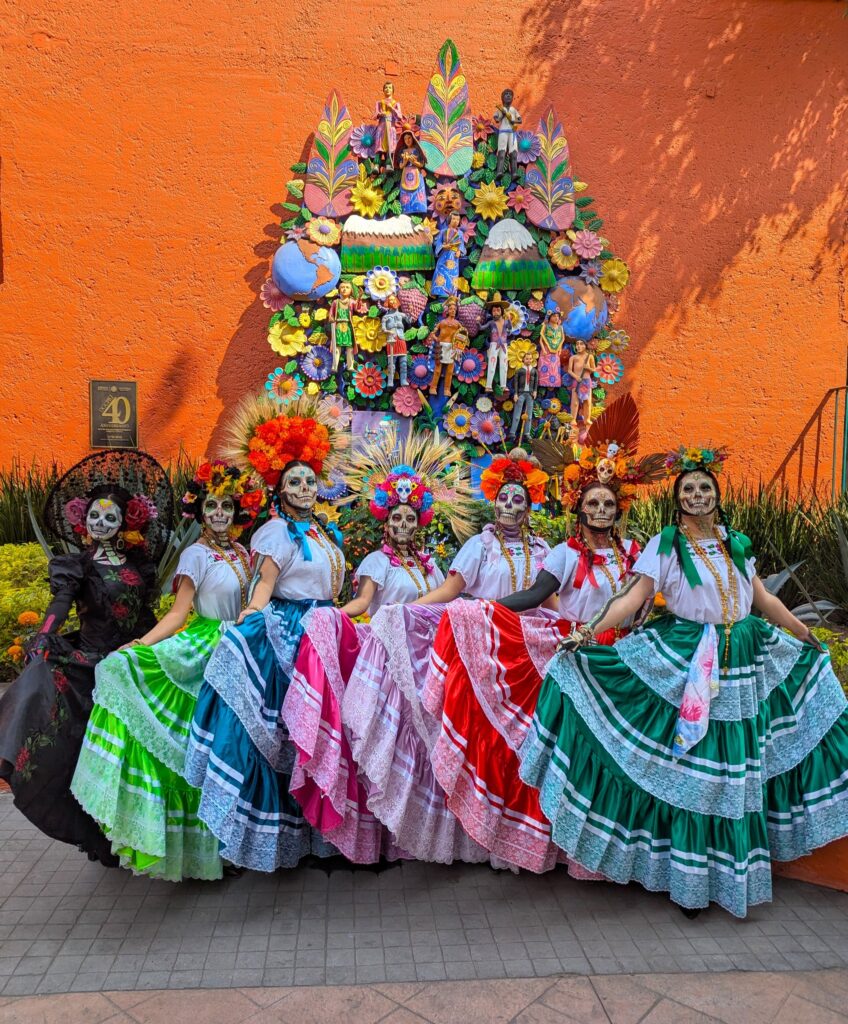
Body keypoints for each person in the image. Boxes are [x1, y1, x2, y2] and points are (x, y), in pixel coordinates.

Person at [519, 445, 848, 918]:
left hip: (743, 660)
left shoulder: (735, 541)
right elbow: (633, 598)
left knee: (734, 772)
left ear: (716, 495)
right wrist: (588, 632)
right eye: (688, 488)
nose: (697, 494)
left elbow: (763, 601)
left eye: (704, 487)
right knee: (696, 774)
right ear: (678, 500)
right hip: (689, 657)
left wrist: (805, 634)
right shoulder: (667, 544)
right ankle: (690, 885)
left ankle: (727, 878)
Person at [424, 397, 664, 872]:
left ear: (618, 509)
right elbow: (536, 595)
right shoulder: (564, 554)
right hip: (580, 656)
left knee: (622, 753)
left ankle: (615, 850)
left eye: (608, 503)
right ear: (580, 509)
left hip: (625, 660)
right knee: (579, 751)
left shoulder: (635, 551)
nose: (600, 509)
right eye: (592, 502)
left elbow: (648, 597)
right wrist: (482, 610)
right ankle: (564, 847)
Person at [338, 451, 552, 866]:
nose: (509, 506)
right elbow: (450, 595)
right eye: (503, 498)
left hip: (528, 655)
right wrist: (404, 612)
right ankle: (482, 835)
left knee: (526, 741)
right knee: (488, 739)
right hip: (485, 649)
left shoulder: (544, 550)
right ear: (493, 503)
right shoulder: (479, 545)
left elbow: (552, 600)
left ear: (529, 508)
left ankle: (521, 836)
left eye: (518, 500)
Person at [71, 462, 266, 880]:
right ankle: (204, 852)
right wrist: (141, 646)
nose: (218, 513)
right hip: (207, 651)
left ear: (238, 511)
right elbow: (179, 614)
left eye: (226, 506)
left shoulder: (244, 553)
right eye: (211, 506)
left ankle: (231, 844)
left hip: (243, 647)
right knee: (204, 747)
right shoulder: (195, 554)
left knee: (234, 749)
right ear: (200, 512)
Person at [285, 427, 472, 862]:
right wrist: (332, 615)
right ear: (385, 523)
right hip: (388, 661)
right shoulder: (376, 561)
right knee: (390, 744)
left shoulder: (430, 567)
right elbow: (364, 603)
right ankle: (380, 837)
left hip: (424, 664)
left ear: (419, 522)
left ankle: (418, 833)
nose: (403, 525)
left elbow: (442, 606)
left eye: (409, 519)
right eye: (396, 519)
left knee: (422, 746)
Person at [184, 396, 348, 872]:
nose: (304, 487)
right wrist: (251, 615)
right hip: (293, 633)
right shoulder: (276, 533)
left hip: (327, 629)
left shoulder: (321, 532)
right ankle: (274, 835)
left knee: (327, 732)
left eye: (309, 481)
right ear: (280, 490)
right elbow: (264, 585)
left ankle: (325, 834)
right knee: (287, 731)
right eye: (294, 481)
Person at [0, 451, 171, 865]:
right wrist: (45, 635)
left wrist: (156, 648)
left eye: (110, 517)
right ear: (83, 520)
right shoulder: (76, 566)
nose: (101, 523)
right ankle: (100, 837)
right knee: (90, 752)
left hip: (132, 662)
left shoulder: (140, 566)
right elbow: (60, 603)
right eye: (94, 516)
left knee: (136, 752)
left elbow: (144, 615)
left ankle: (139, 830)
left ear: (125, 523)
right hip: (92, 664)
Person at [427, 298, 468, 397]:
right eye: (451, 309)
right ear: (447, 311)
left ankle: (447, 389)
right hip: (440, 346)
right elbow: (433, 333)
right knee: (437, 369)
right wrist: (436, 338)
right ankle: (433, 387)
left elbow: (464, 334)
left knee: (450, 371)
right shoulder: (442, 322)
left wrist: (460, 344)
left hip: (452, 348)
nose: (453, 311)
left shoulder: (457, 324)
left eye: (455, 309)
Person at [431, 212, 466, 299]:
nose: (456, 221)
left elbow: (462, 245)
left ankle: (451, 294)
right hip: (444, 256)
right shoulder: (443, 231)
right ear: (449, 220)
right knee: (441, 274)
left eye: (458, 219)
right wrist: (443, 246)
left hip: (454, 258)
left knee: (452, 276)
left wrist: (459, 251)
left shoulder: (460, 233)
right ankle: (439, 292)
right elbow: (437, 243)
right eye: (454, 219)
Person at [381, 294, 410, 388]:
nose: (392, 301)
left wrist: (410, 312)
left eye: (394, 299)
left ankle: (403, 380)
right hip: (391, 340)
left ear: (397, 301)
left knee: (403, 362)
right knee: (391, 363)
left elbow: (410, 321)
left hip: (401, 338)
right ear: (387, 303)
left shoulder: (402, 315)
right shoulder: (386, 317)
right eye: (390, 300)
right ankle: (390, 381)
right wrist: (389, 331)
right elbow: (383, 329)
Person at [395, 131, 427, 215]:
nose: (407, 140)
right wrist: (405, 162)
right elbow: (401, 166)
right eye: (405, 139)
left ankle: (419, 208)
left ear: (413, 138)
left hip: (416, 174)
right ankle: (406, 209)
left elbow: (421, 164)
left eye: (409, 138)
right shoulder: (402, 151)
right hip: (405, 175)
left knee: (417, 192)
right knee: (406, 193)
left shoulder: (417, 150)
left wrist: (414, 162)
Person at [484, 300, 512, 393]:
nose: (496, 312)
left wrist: (509, 319)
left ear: (502, 311)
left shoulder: (506, 322)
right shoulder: (491, 323)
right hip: (494, 345)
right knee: (492, 365)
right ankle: (488, 386)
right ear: (491, 313)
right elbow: (481, 327)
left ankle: (503, 385)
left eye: (498, 310)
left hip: (503, 345)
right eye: (494, 311)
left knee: (504, 365)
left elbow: (510, 328)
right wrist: (478, 322)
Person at [493, 88, 522, 180]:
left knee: (514, 153)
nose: (508, 95)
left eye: (510, 94)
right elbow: (497, 119)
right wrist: (502, 114)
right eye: (506, 94)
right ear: (502, 98)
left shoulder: (513, 110)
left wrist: (513, 121)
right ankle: (499, 171)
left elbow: (520, 120)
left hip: (512, 133)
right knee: (502, 152)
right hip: (503, 132)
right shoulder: (501, 109)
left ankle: (514, 173)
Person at [509, 350, 539, 439]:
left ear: (532, 360)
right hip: (521, 393)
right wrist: (515, 393)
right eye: (527, 359)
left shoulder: (534, 371)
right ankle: (512, 432)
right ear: (523, 360)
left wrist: (535, 391)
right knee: (517, 414)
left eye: (530, 359)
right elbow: (516, 383)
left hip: (530, 394)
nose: (528, 360)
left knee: (529, 416)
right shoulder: (519, 371)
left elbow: (536, 382)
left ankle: (527, 433)